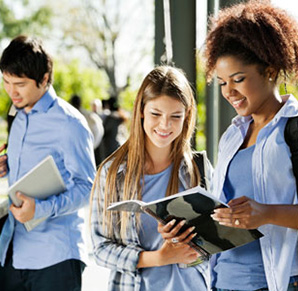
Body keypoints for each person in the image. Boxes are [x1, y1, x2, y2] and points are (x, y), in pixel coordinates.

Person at [204, 2, 298, 291]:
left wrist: (268, 213)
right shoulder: (232, 136)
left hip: (280, 282)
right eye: (222, 82)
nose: (228, 92)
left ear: (270, 71)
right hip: (222, 281)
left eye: (238, 79)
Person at [0, 35, 96, 291]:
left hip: (56, 256)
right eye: (6, 82)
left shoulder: (70, 124)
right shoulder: (18, 116)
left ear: (44, 79)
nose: (12, 91)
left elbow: (88, 188)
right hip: (14, 250)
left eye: (20, 84)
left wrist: (41, 209)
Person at [90, 66, 213, 291]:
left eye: (175, 116)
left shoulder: (198, 170)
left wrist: (185, 243)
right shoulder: (112, 173)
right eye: (156, 114)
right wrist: (159, 257)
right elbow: (100, 249)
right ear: (141, 111)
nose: (165, 125)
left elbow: (213, 248)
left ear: (186, 117)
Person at [96, 96, 128, 164]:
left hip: (110, 149)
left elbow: (102, 131)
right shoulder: (120, 117)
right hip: (120, 147)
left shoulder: (111, 118)